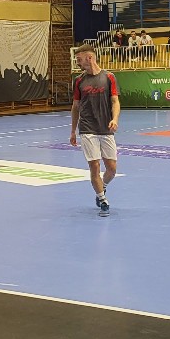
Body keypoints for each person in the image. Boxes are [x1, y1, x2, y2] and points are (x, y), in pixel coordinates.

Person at [70, 44, 120, 215]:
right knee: (95, 166)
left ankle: (102, 187)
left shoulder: (109, 77)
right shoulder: (79, 81)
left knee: (111, 169)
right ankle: (102, 199)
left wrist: (114, 119)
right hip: (87, 128)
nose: (77, 63)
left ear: (89, 58)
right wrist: (73, 131)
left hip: (105, 128)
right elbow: (75, 107)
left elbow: (115, 101)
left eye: (79, 59)